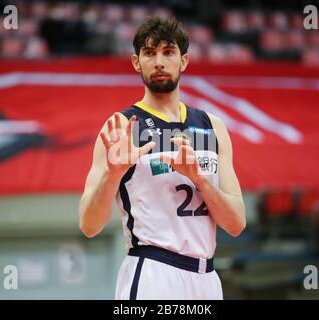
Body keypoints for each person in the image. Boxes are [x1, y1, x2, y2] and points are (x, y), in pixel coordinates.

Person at [78, 16, 246, 300]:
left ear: (184, 61)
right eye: (149, 53)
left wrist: (199, 179)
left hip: (207, 279)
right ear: (136, 62)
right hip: (153, 273)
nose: (159, 61)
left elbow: (236, 223)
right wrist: (112, 173)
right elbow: (89, 225)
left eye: (168, 52)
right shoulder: (122, 126)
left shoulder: (212, 126)